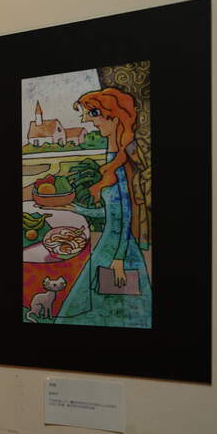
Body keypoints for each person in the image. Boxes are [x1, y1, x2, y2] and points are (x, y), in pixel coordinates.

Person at [53, 87, 152, 328]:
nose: (89, 121)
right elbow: (111, 214)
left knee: (110, 307)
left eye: (94, 114)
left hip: (117, 251)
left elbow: (124, 217)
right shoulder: (113, 162)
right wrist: (76, 209)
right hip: (110, 247)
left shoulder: (119, 169)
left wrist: (118, 259)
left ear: (115, 118)